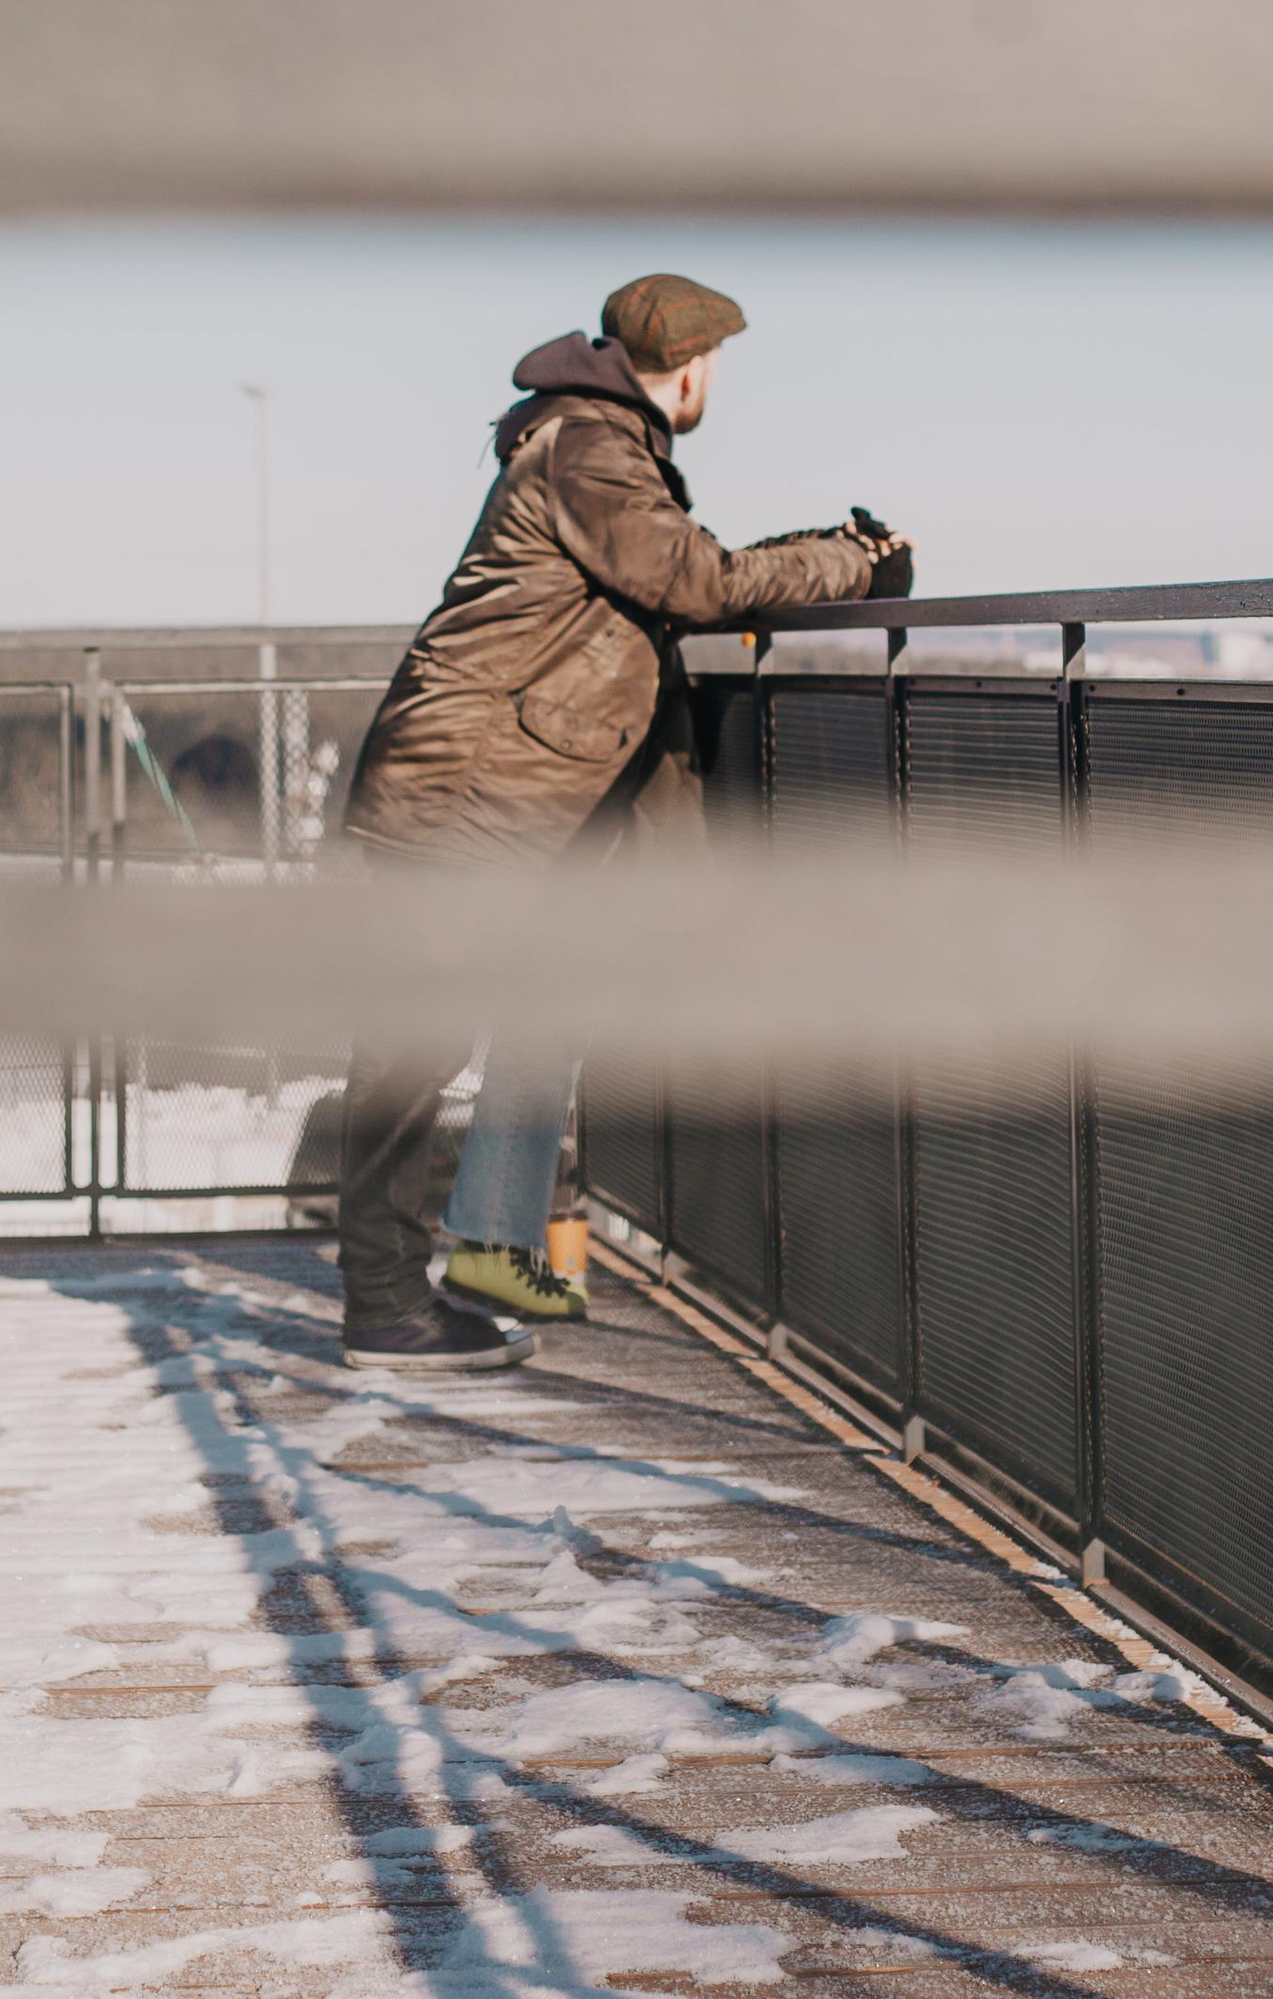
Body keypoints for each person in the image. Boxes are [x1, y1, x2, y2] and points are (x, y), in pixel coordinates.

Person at [331, 272, 909, 1372]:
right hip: (466, 793)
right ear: (688, 366)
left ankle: (483, 1253)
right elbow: (698, 582)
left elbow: (673, 567)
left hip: (516, 792)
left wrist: (827, 546)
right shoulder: (590, 448)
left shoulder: (597, 446)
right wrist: (852, 564)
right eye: (716, 364)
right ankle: (384, 1305)